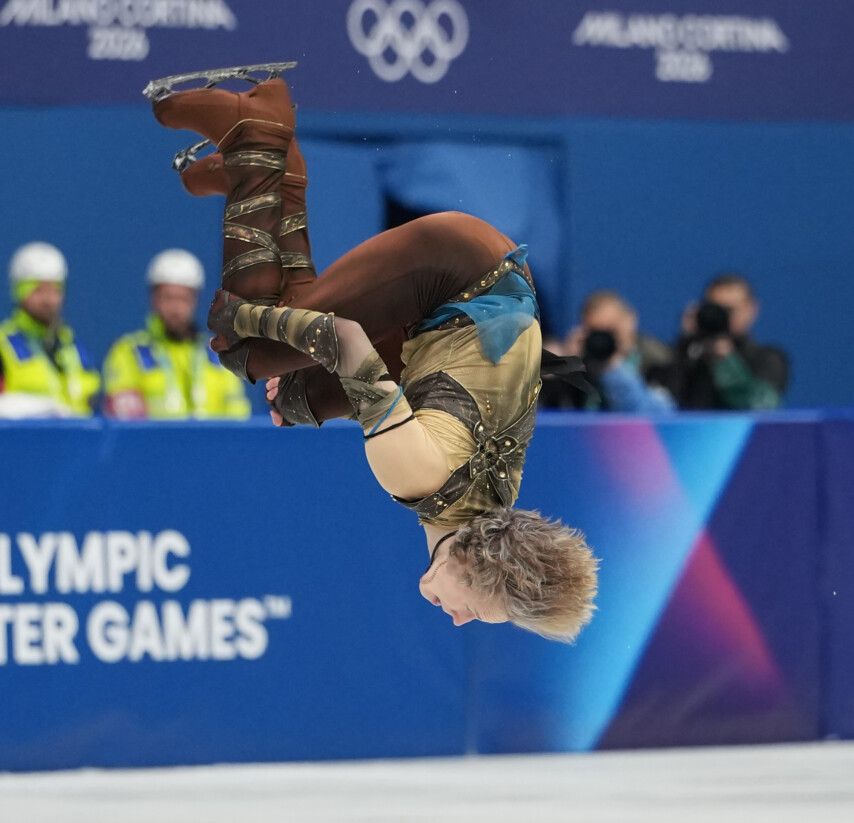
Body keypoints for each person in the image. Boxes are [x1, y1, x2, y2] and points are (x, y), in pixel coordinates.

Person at [144, 63, 597, 641]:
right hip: (458, 271)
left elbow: (444, 398)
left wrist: (315, 392)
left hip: (485, 297)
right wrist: (243, 320)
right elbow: (349, 341)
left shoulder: (489, 504)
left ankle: (279, 166)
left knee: (301, 392)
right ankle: (251, 141)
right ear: (486, 570)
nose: (461, 619)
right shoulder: (414, 477)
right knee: (249, 352)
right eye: (483, 611)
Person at [103, 249, 250, 419]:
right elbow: (126, 420)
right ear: (154, 299)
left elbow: (238, 418)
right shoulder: (129, 352)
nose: (175, 308)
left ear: (195, 300)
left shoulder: (218, 355)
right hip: (152, 444)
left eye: (182, 299)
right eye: (167, 298)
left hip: (212, 444)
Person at [0, 242, 100, 417]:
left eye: (55, 290)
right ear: (19, 292)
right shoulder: (3, 344)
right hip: (21, 442)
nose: (48, 300)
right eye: (38, 290)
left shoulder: (73, 346)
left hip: (77, 441)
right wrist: (43, 408)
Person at [670, 274, 789, 410]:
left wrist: (725, 361)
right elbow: (663, 403)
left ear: (751, 309)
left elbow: (762, 407)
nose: (722, 317)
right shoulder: (686, 355)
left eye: (729, 310)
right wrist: (685, 343)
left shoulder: (767, 359)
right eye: (715, 309)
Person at [541, 290, 674, 412]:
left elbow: (660, 416)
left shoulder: (659, 359)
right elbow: (550, 414)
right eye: (597, 333)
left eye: (611, 330)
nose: (606, 340)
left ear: (630, 319)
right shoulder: (583, 362)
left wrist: (613, 368)